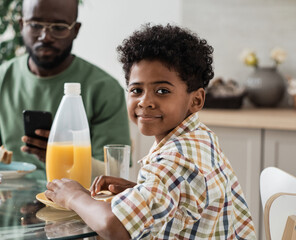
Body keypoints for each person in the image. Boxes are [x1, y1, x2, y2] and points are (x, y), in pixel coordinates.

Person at [45, 24, 257, 239]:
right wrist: (138, 190)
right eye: (136, 90)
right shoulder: (198, 138)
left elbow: (116, 227)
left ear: (196, 100)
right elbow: (184, 199)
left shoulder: (176, 160)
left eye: (162, 91)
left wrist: (74, 196)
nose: (145, 102)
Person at [0, 0, 131, 178]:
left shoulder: (105, 89)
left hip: (73, 202)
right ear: (22, 25)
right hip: (7, 198)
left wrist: (62, 156)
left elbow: (115, 173)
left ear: (75, 30)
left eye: (58, 27)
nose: (45, 36)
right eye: (35, 25)